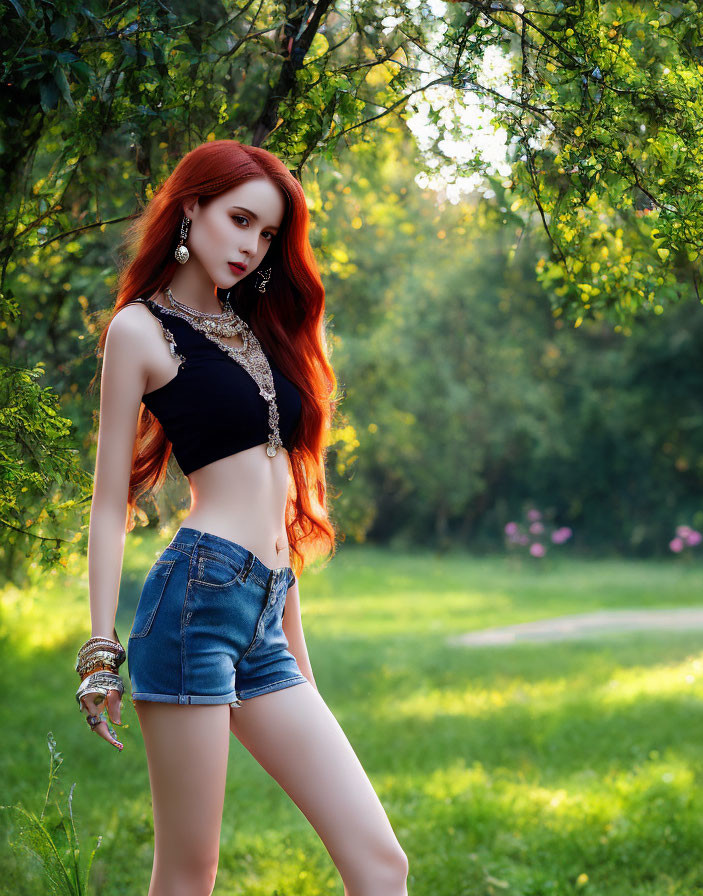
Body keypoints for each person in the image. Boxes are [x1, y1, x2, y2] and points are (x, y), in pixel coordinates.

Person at [74, 140, 409, 896]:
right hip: (194, 602)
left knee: (382, 862)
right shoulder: (139, 330)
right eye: (240, 220)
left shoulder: (254, 327)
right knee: (191, 875)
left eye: (266, 235)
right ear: (189, 207)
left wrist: (299, 652)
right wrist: (100, 649)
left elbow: (280, 504)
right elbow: (107, 503)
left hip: (265, 610)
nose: (252, 247)